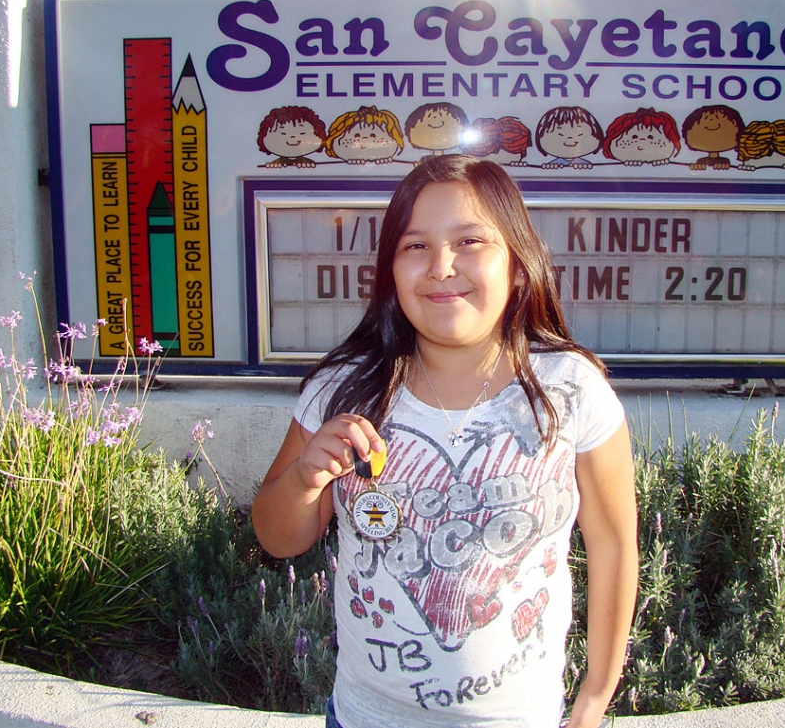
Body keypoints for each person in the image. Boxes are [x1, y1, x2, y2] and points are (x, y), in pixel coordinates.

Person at [252, 155, 638, 728]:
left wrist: (595, 697)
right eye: (415, 246)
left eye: (469, 241)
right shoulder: (343, 389)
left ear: (516, 264)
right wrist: (308, 477)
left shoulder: (570, 390)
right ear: (388, 270)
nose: (441, 267)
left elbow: (612, 546)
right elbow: (277, 539)